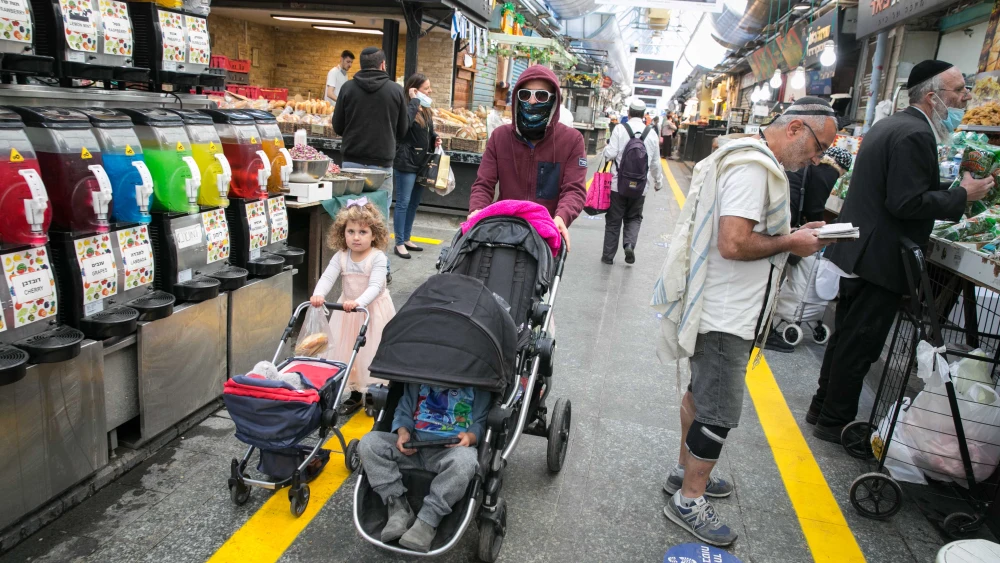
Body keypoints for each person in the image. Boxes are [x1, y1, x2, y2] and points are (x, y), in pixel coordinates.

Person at [651, 97, 839, 546]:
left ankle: (684, 472)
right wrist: (793, 241)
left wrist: (793, 234)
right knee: (719, 410)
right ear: (795, 128)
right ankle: (689, 500)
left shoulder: (747, 155)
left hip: (720, 304)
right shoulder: (755, 169)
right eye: (818, 147)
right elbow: (733, 242)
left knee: (700, 395)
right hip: (726, 313)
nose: (817, 159)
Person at [808, 60, 995, 442]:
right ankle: (834, 422)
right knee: (860, 342)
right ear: (933, 97)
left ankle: (822, 408)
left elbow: (898, 187)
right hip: (881, 256)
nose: (965, 98)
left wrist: (948, 188)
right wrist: (962, 195)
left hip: (861, 250)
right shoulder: (915, 135)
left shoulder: (893, 125)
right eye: (959, 91)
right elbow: (905, 202)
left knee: (847, 335)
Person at [357, 381, 488, 552]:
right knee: (369, 443)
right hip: (414, 445)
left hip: (451, 450)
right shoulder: (418, 376)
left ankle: (428, 520)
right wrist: (403, 432)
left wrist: (470, 437)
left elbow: (481, 421)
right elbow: (404, 410)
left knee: (465, 462)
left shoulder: (478, 384)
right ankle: (397, 505)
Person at [469, 65, 587, 251]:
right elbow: (484, 183)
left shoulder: (572, 141)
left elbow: (574, 190)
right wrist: (477, 210)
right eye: (525, 95)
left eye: (541, 96)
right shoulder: (500, 137)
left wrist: (561, 217)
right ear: (517, 98)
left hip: (545, 235)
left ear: (554, 100)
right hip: (503, 231)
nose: (532, 101)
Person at [310, 199, 396, 416]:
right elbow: (328, 277)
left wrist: (359, 302)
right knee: (348, 351)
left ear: (374, 234)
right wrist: (319, 293)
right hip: (347, 314)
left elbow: (376, 286)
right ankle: (356, 394)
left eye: (362, 232)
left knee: (371, 351)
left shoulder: (377, 257)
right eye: (351, 231)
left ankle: (372, 394)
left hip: (372, 312)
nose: (356, 237)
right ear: (342, 233)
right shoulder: (341, 256)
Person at [765, 146, 854, 353]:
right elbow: (815, 208)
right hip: (787, 223)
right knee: (773, 276)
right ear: (842, 168)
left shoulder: (815, 168)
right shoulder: (829, 172)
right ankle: (764, 331)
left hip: (782, 217)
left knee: (774, 276)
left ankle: (765, 327)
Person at [332, 47, 409, 206]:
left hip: (351, 163)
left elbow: (337, 127)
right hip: (382, 164)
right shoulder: (396, 90)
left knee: (351, 215)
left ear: (361, 65)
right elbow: (403, 131)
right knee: (379, 217)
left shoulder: (347, 88)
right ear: (383, 64)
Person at [601, 98, 664, 265]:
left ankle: (608, 257)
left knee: (614, 220)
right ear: (644, 115)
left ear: (628, 112)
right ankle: (629, 244)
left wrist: (606, 151)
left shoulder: (620, 129)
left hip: (617, 185)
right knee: (634, 217)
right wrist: (658, 182)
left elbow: (611, 154)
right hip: (640, 187)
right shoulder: (651, 133)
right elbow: (656, 163)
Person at [392, 74, 440, 260]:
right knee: (403, 202)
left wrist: (434, 137)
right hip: (406, 160)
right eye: (426, 88)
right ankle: (398, 242)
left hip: (421, 161)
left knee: (414, 202)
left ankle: (406, 238)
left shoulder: (425, 109)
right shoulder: (407, 107)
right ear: (414, 89)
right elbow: (402, 129)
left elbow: (426, 130)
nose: (430, 91)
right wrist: (413, 102)